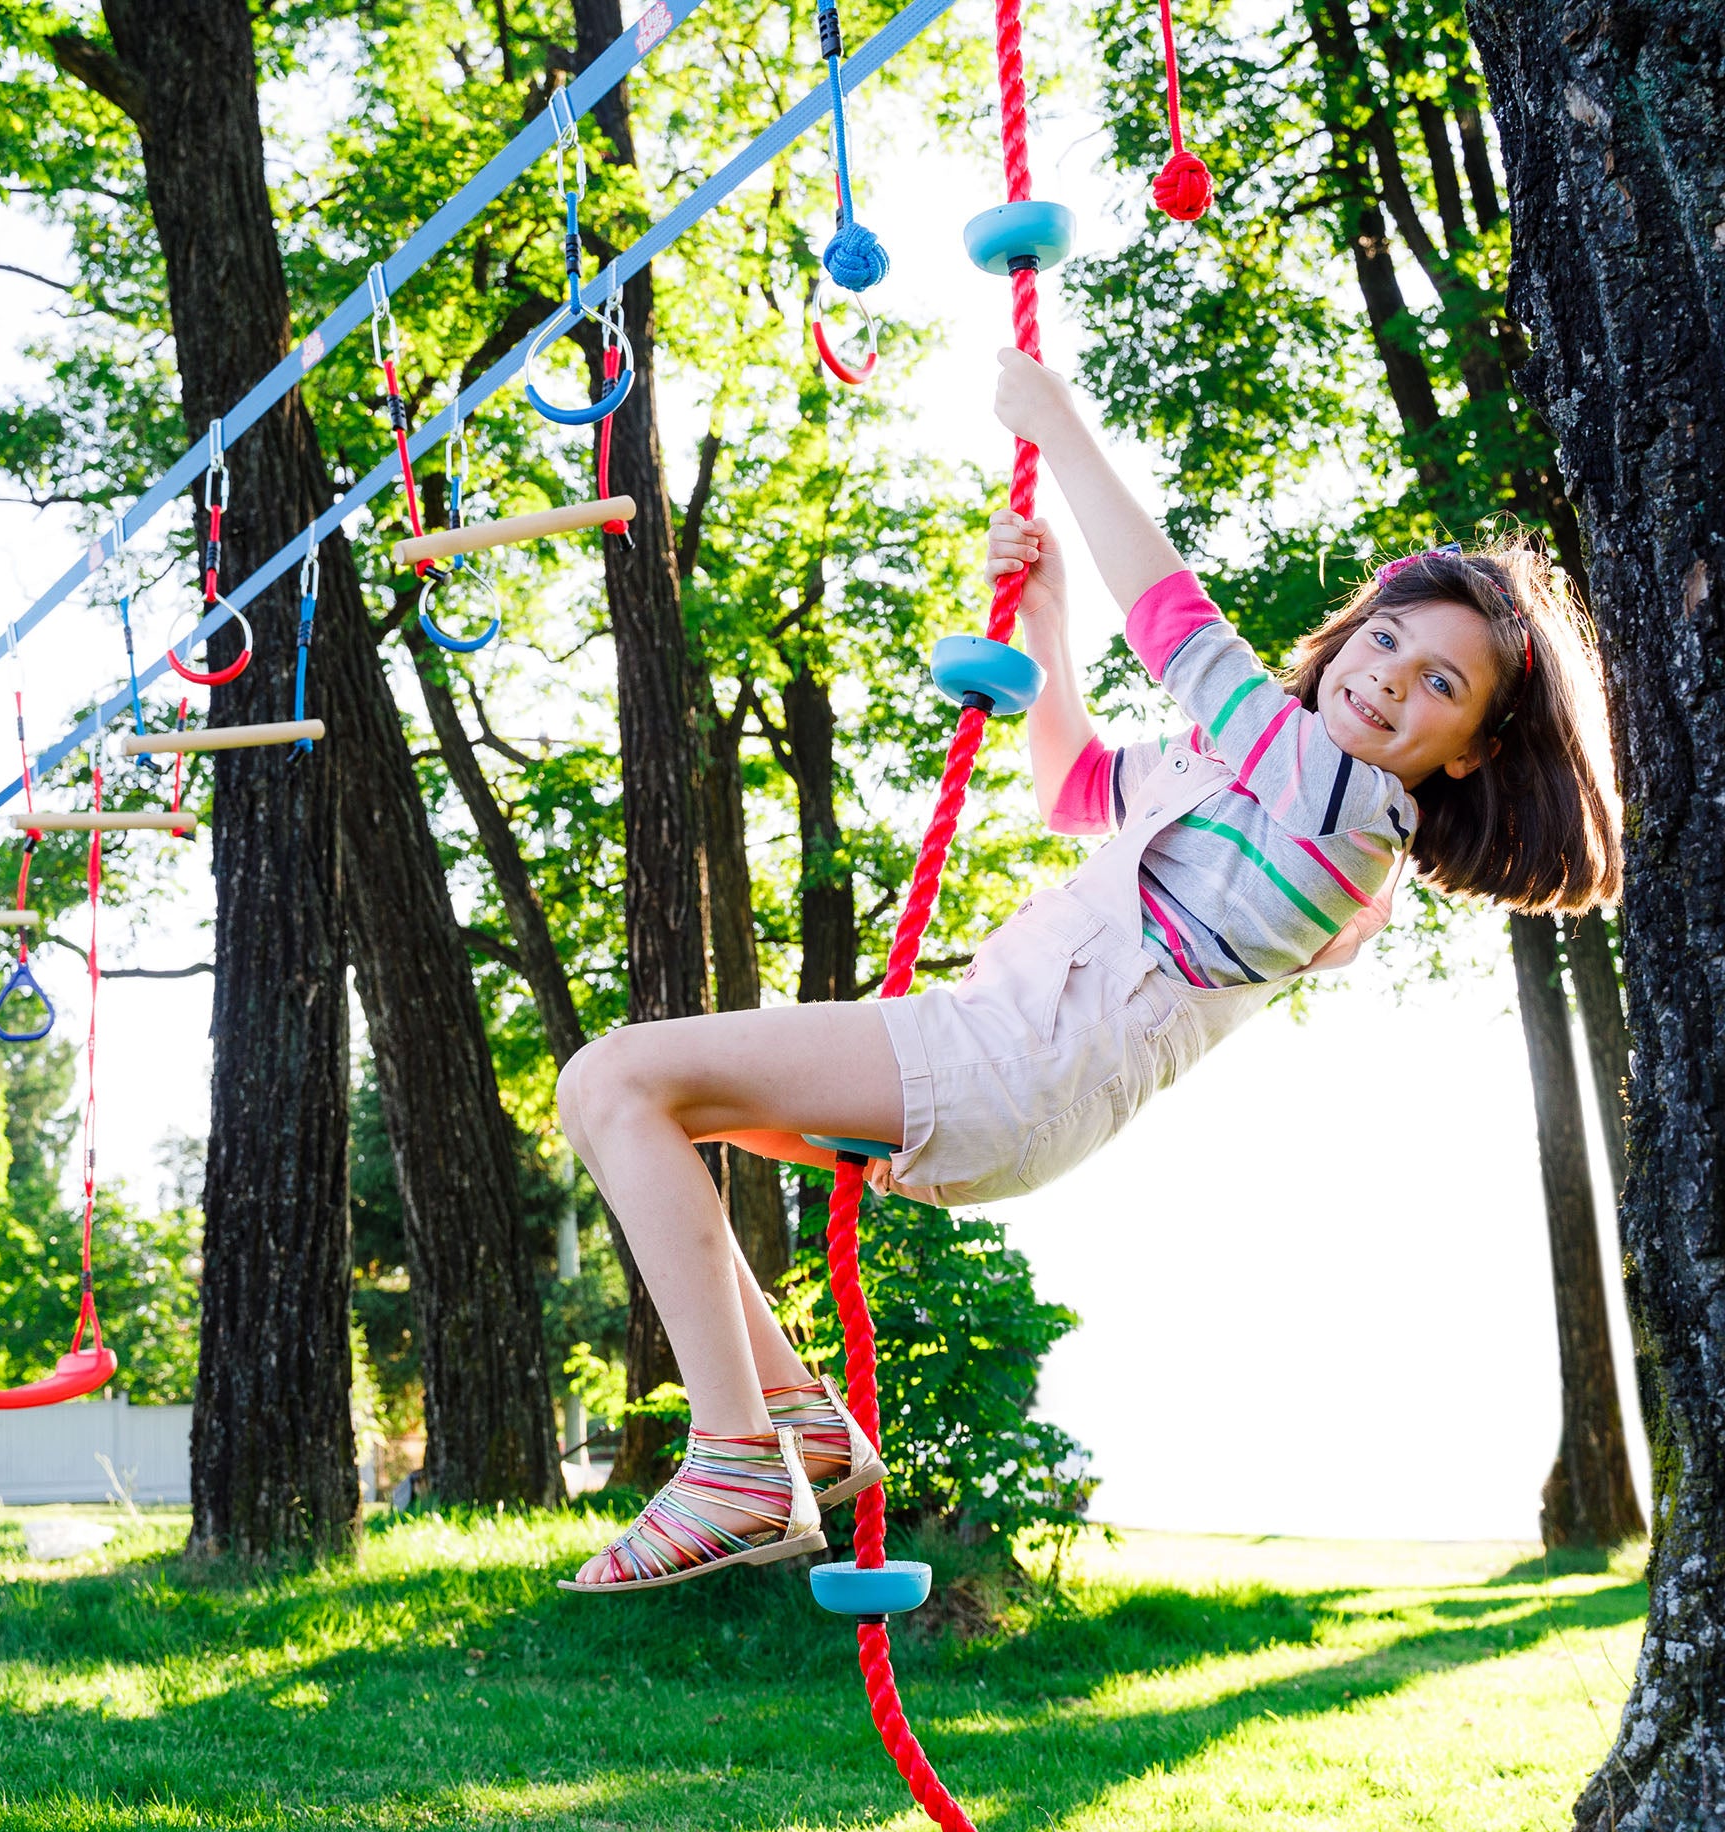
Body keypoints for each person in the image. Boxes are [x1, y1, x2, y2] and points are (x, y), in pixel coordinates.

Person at [556, 347, 1622, 1594]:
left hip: (1012, 1062)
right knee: (638, 1104)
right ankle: (790, 1420)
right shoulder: (1246, 775)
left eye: (1437, 680)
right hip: (999, 1052)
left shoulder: (1345, 809)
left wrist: (1057, 424)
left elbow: (1175, 623)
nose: (1387, 672)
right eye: (1384, 636)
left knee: (616, 1077)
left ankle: (734, 1455)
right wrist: (1049, 621)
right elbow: (1071, 784)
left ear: (1467, 749)